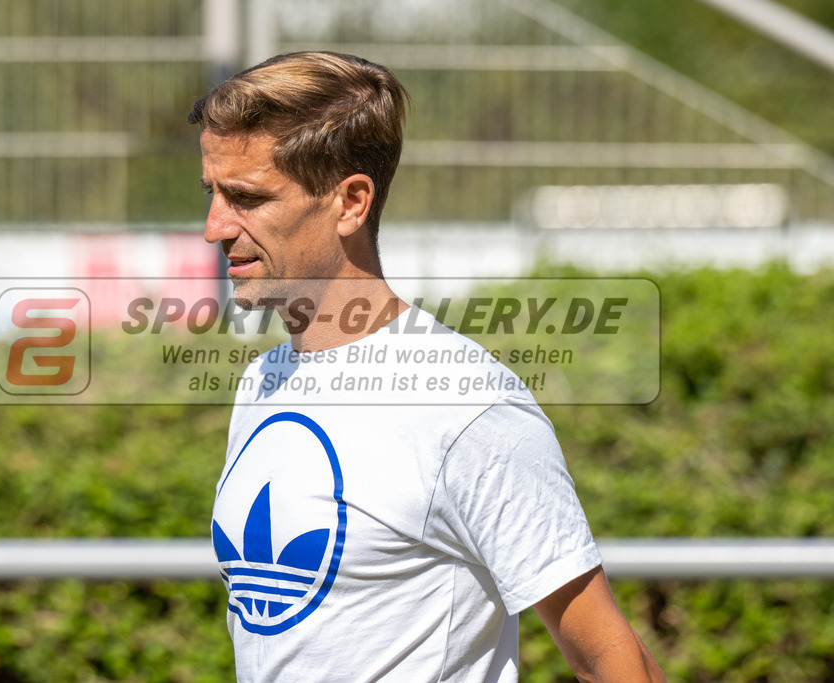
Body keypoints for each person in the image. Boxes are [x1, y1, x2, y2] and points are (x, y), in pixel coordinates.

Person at [190, 51, 665, 682]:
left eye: (247, 197)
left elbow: (610, 658)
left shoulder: (466, 405)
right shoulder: (264, 380)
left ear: (351, 202)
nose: (215, 228)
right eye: (213, 193)